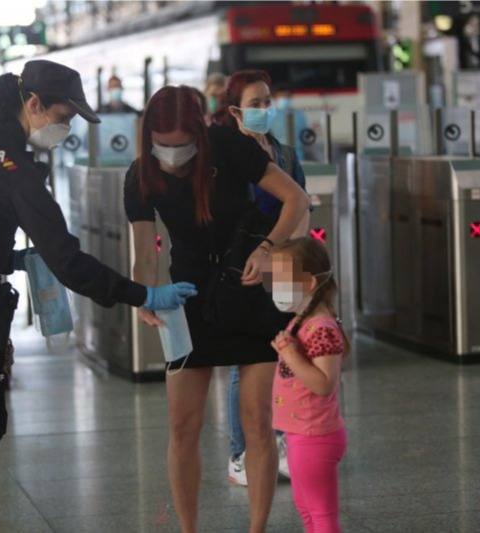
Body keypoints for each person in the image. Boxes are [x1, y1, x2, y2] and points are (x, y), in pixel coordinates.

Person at [0, 60, 196, 533]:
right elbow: (68, 260)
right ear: (34, 104)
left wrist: (9, 259)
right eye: (65, 116)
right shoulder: (14, 167)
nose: (68, 126)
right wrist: (141, 294)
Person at [124, 85, 309, 533]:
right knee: (183, 427)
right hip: (187, 297)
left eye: (181, 143)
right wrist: (143, 297)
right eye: (162, 144)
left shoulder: (229, 146)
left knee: (257, 422)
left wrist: (268, 248)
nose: (172, 153)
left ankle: (257, 528)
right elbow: (145, 255)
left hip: (250, 288)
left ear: (199, 132)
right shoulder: (141, 172)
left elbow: (295, 199)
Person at [213, 69, 309, 486]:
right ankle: (241, 454)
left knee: (285, 355)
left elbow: (302, 204)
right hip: (246, 265)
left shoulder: (284, 153)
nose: (264, 110)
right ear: (234, 111)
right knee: (246, 360)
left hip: (284, 262)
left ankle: (281, 443)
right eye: (255, 104)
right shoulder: (227, 156)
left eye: (267, 102)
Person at [269, 237, 350, 533]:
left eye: (281, 279)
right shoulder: (301, 321)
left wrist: (290, 354)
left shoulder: (322, 329)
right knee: (306, 510)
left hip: (315, 437)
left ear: (309, 282)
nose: (275, 287)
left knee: (322, 514)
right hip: (301, 433)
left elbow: (325, 384)